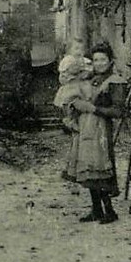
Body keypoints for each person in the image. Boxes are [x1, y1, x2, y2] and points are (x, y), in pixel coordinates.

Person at [67, 42, 126, 224]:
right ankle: (96, 210)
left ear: (110, 61)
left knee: (100, 169)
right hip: (86, 129)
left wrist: (93, 109)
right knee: (88, 168)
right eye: (96, 60)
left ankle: (109, 211)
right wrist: (75, 105)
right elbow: (75, 97)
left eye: (103, 59)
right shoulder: (89, 79)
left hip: (101, 129)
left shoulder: (115, 81)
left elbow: (118, 111)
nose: (99, 63)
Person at [54, 53, 93, 182]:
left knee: (77, 141)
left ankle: (73, 169)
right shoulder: (72, 70)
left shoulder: (76, 69)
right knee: (77, 139)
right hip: (73, 104)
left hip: (72, 103)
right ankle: (74, 170)